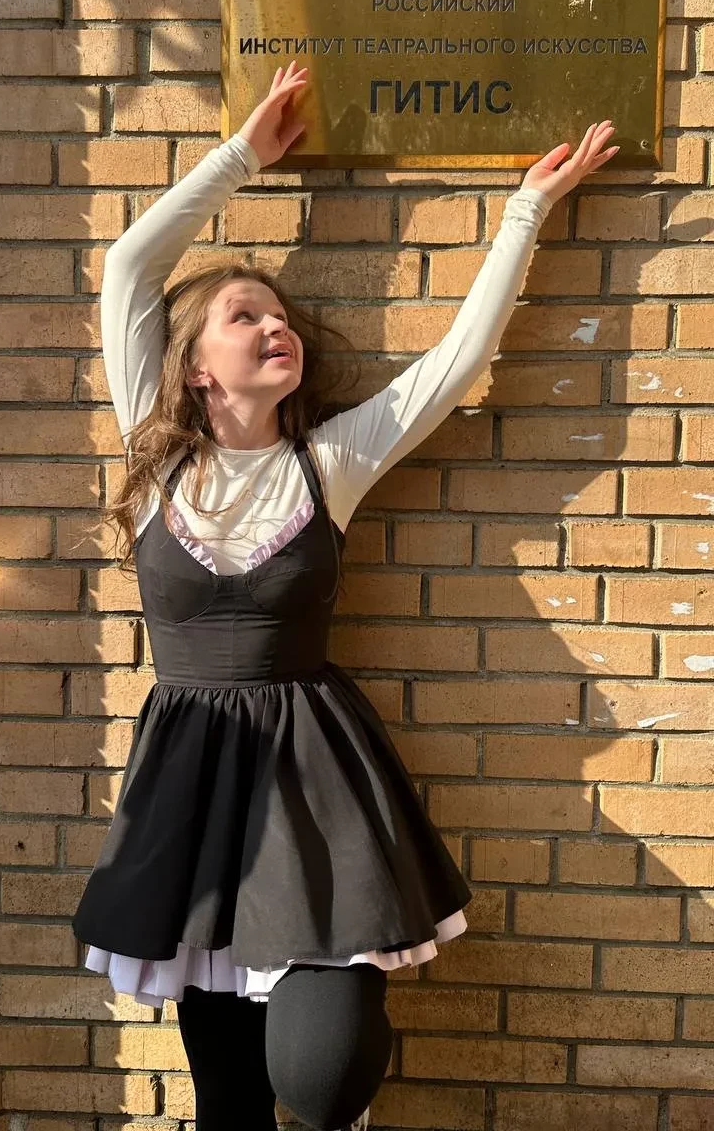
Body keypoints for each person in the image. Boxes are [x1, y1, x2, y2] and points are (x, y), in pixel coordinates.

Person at [72, 61, 618, 1131]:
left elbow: (456, 363)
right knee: (229, 1099)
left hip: (313, 777)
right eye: (244, 316)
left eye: (281, 316)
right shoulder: (153, 455)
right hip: (188, 787)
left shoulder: (329, 462)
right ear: (194, 366)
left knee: (323, 1072)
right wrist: (244, 155)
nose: (273, 326)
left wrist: (525, 210)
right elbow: (131, 264)